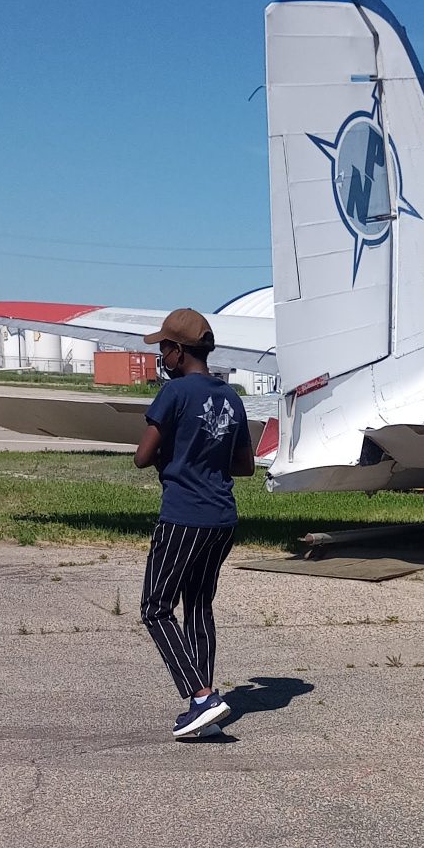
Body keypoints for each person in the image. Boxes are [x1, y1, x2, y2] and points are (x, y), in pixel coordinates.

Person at [132, 307, 254, 739]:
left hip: (183, 516)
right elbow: (245, 467)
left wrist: (177, 456)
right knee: (198, 605)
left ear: (179, 352)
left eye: (164, 347)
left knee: (155, 607)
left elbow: (143, 456)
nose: (161, 355)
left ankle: (202, 696)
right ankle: (202, 707)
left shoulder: (175, 394)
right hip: (222, 518)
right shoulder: (231, 397)